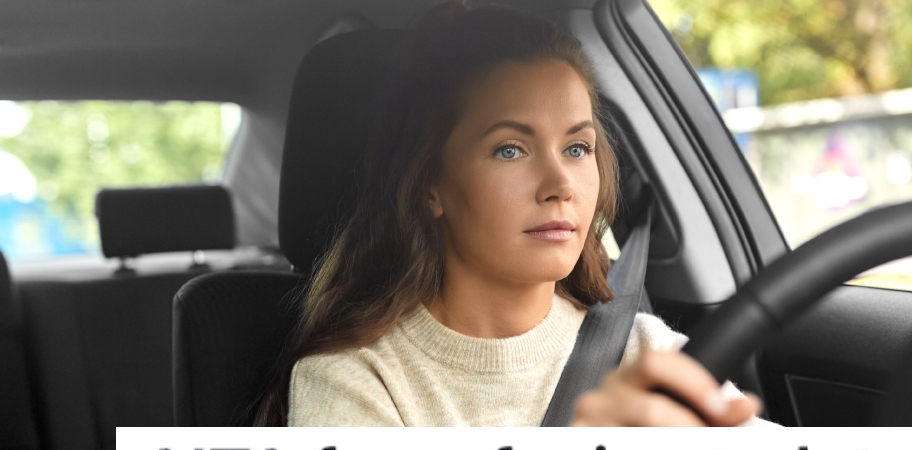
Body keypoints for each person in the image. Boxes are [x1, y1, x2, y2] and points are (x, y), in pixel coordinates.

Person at [255, 2, 762, 428]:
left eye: (578, 148)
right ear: (431, 185)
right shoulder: (354, 379)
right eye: (510, 150)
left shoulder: (644, 351)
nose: (560, 185)